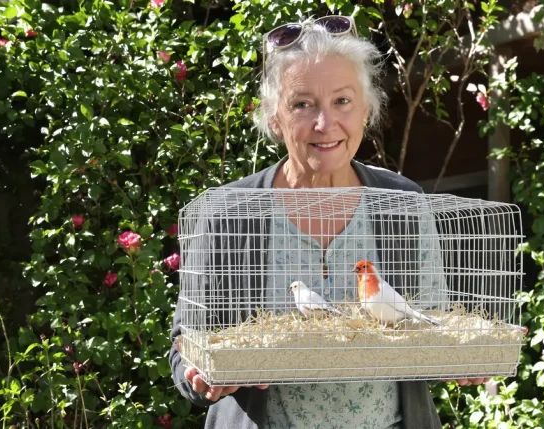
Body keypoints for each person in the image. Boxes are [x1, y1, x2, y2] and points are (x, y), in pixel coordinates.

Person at [169, 16, 489, 429]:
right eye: (302, 104)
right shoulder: (229, 213)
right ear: (274, 118)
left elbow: (432, 322)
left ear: (366, 110)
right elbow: (185, 349)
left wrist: (461, 356)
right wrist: (203, 379)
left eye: (342, 101)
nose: (325, 124)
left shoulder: (403, 203)